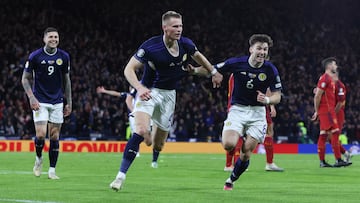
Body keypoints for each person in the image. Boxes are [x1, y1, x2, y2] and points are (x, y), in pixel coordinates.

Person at [109, 11, 223, 191]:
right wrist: (139, 88)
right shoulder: (150, 47)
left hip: (169, 96)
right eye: (175, 26)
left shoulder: (186, 44)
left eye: (181, 26)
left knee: (158, 145)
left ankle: (151, 133)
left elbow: (199, 57)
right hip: (149, 91)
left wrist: (213, 72)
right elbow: (128, 69)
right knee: (139, 130)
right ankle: (119, 178)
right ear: (165, 28)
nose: (179, 30)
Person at [192, 34, 282, 190]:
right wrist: (193, 70)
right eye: (259, 48)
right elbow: (211, 69)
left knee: (246, 152)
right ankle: (234, 148)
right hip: (238, 110)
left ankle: (231, 179)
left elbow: (277, 95)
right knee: (228, 144)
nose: (262, 52)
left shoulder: (270, 69)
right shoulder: (237, 63)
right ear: (251, 49)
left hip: (258, 114)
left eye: (265, 49)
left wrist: (267, 101)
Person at [21, 27, 72, 179]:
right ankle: (38, 159)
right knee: (41, 134)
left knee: (55, 136)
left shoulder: (64, 56)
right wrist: (31, 97)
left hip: (57, 101)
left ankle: (52, 171)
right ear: (44, 39)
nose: (53, 39)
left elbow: (67, 80)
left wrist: (68, 101)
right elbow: (25, 79)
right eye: (50, 37)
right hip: (40, 100)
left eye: (56, 37)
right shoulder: (35, 56)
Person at [96, 86, 161, 167]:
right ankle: (136, 152)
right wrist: (105, 91)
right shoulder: (128, 96)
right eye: (131, 88)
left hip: (147, 117)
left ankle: (154, 160)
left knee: (152, 138)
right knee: (136, 135)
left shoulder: (144, 95)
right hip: (133, 118)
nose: (132, 90)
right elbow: (116, 93)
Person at [311, 57, 350, 168]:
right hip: (327, 111)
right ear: (329, 66)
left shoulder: (328, 79)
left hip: (327, 110)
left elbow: (319, 93)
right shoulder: (325, 78)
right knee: (335, 133)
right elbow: (317, 96)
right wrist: (317, 111)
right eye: (334, 64)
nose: (336, 66)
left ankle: (323, 162)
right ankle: (338, 159)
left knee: (323, 135)